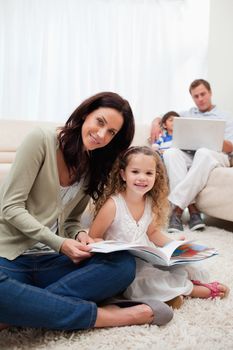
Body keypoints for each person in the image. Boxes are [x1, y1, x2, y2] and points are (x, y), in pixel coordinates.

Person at [0, 92, 171, 331]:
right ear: (85, 114)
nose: (101, 135)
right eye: (100, 122)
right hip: (9, 258)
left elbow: (69, 221)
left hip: (51, 260)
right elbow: (10, 207)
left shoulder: (92, 165)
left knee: (122, 264)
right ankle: (111, 317)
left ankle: (23, 310)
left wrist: (80, 235)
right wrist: (60, 243)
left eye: (111, 132)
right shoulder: (41, 140)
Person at [88, 146, 229, 310]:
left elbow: (152, 232)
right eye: (135, 172)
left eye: (149, 173)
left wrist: (174, 245)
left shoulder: (149, 202)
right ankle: (191, 290)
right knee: (146, 280)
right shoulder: (113, 205)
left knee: (189, 266)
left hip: (146, 255)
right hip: (123, 262)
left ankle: (178, 290)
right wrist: (115, 249)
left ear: (156, 176)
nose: (142, 178)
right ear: (123, 174)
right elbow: (94, 237)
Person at [150, 79, 233, 232]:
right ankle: (193, 210)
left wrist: (211, 137)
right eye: (196, 96)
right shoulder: (187, 114)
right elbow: (163, 116)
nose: (200, 99)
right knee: (171, 153)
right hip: (190, 155)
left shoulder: (226, 116)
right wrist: (156, 122)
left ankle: (177, 210)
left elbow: (231, 147)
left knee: (203, 152)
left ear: (210, 93)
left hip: (217, 155)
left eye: (203, 94)